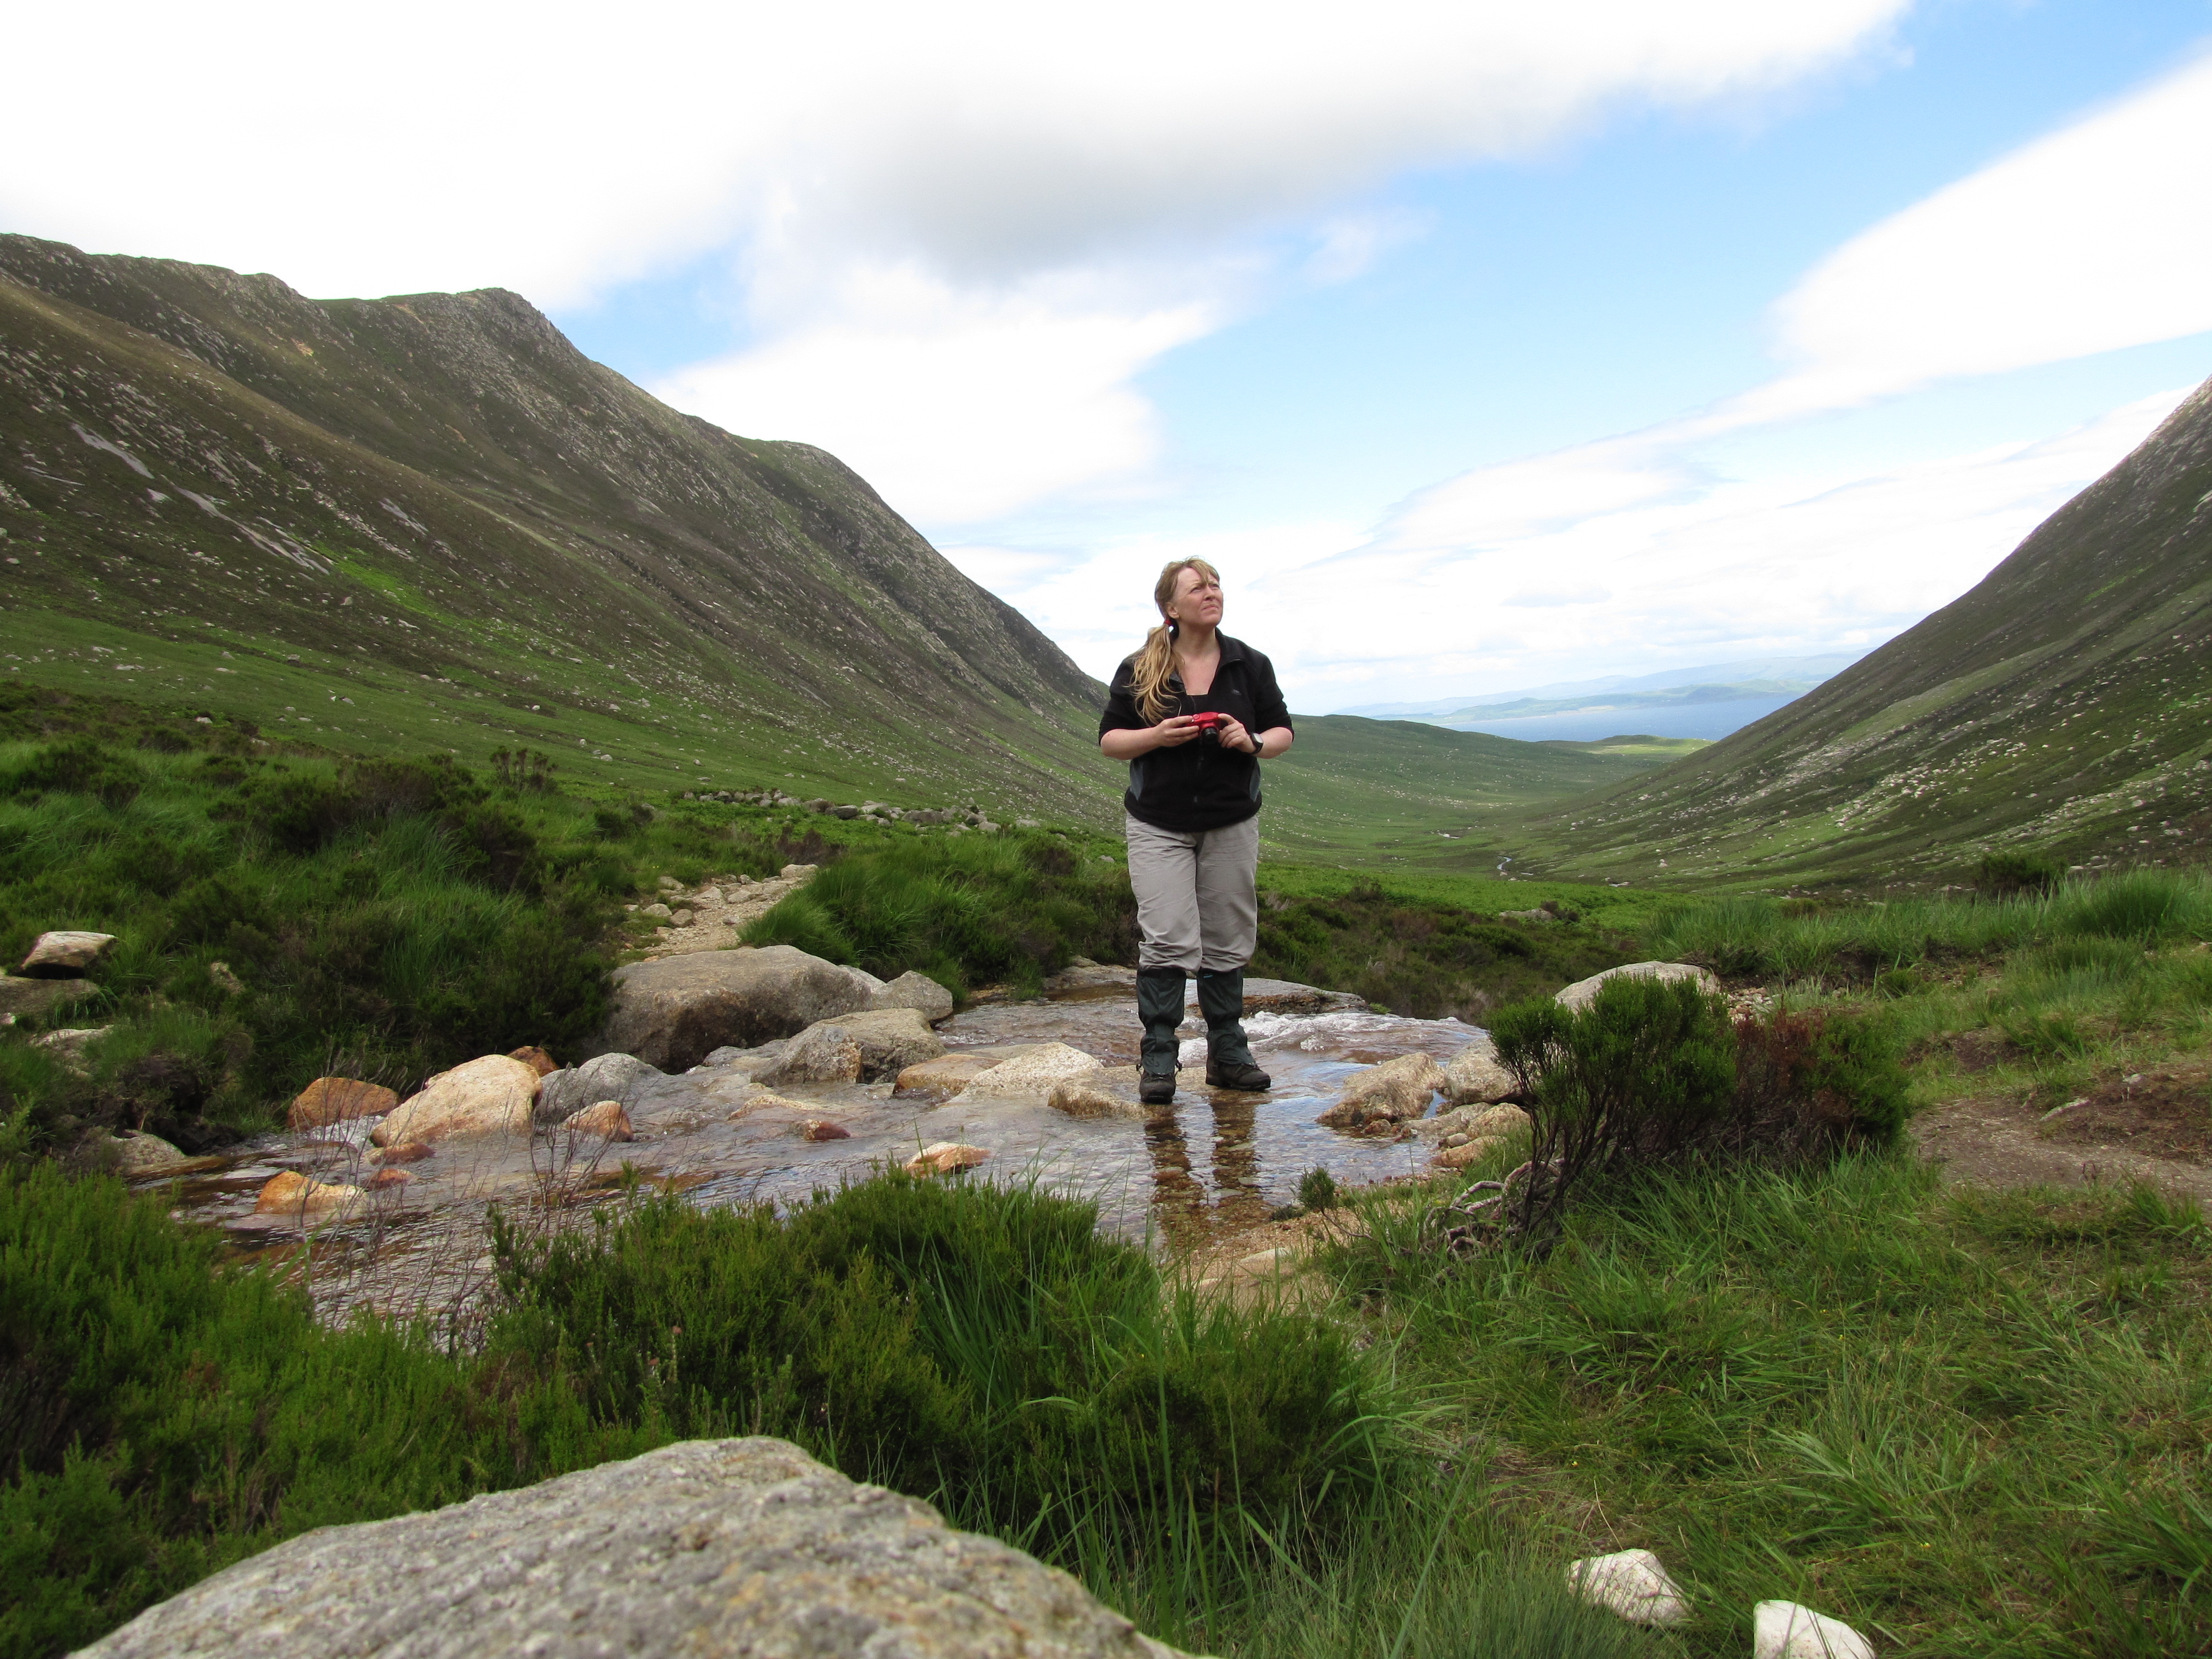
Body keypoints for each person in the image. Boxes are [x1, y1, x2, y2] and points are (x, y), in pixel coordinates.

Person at [1099, 559, 1295, 1107]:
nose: (1211, 593)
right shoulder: (1140, 668)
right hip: (1158, 822)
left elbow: (1282, 731)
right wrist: (1157, 736)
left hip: (1231, 819)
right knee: (1166, 934)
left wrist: (1251, 741)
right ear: (1171, 607)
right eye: (1197, 587)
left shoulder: (1248, 665)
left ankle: (1228, 1054)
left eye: (1215, 584)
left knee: (1229, 935)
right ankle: (1159, 1053)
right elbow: (1111, 741)